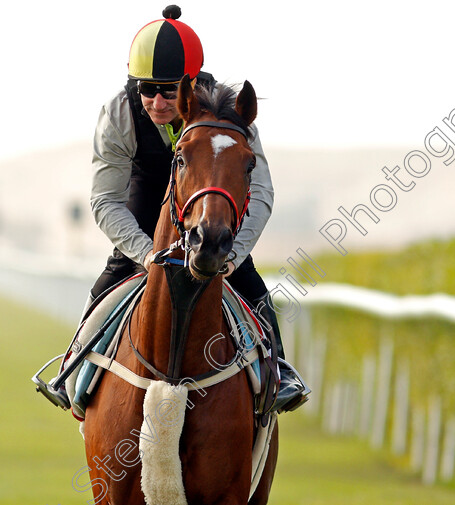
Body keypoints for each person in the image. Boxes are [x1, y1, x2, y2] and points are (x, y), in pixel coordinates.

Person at [87, 5, 307, 413]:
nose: (156, 101)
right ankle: (77, 367)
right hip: (148, 190)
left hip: (210, 194)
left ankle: (279, 371)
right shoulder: (118, 114)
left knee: (251, 284)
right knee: (111, 277)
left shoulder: (232, 118)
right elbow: (105, 199)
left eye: (168, 91)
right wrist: (147, 254)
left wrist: (233, 255)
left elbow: (260, 192)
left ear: (191, 85)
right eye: (146, 90)